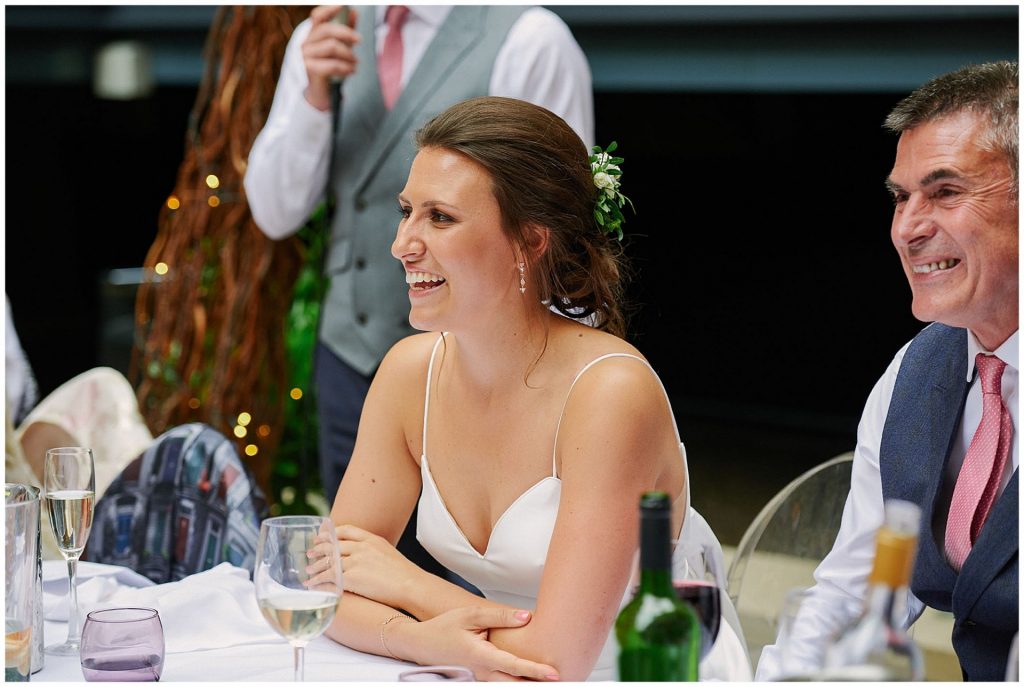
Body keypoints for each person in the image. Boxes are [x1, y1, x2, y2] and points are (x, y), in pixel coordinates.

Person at [301, 96, 739, 681]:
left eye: (440, 218)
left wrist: (407, 584)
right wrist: (421, 640)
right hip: (486, 667)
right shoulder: (410, 374)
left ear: (530, 242)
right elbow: (326, 589)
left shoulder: (610, 394)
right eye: (407, 211)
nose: (402, 244)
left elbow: (556, 661)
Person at [243, 5, 594, 508]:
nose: (401, 244)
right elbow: (275, 212)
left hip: (488, 371)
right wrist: (312, 99)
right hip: (349, 359)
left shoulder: (529, 38)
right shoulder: (324, 34)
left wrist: (546, 386)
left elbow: (555, 225)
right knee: (359, 556)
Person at [756, 61, 1018, 681]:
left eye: (946, 191)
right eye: (901, 198)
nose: (907, 228)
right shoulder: (914, 372)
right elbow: (856, 592)